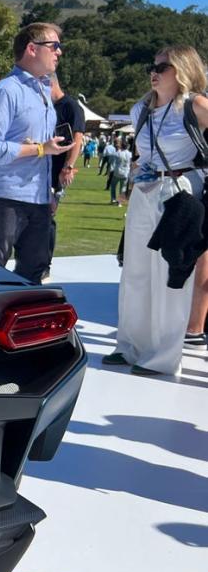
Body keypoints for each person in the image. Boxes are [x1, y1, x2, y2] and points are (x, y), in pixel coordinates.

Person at [103, 45, 208, 376]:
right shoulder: (141, 110)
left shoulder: (196, 105)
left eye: (162, 67)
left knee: (170, 274)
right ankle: (129, 346)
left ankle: (162, 356)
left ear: (181, 70)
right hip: (145, 191)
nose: (153, 71)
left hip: (179, 193)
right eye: (153, 66)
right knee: (135, 270)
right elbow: (140, 154)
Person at [0, 23, 73, 281]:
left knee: (35, 270)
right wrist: (40, 148)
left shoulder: (43, 92)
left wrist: (49, 191)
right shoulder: (6, 90)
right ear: (32, 49)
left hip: (39, 198)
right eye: (54, 46)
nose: (59, 52)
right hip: (6, 196)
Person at [41, 73, 86, 281]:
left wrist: (68, 166)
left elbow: (77, 137)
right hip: (41, 168)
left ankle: (45, 264)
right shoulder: (46, 107)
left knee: (48, 216)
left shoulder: (70, 106)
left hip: (56, 171)